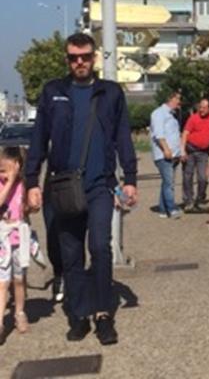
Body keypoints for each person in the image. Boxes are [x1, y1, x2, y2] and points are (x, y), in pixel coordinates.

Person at [24, 33, 138, 346]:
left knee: (101, 248)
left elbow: (123, 138)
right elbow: (38, 140)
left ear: (94, 57)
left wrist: (130, 178)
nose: (80, 63)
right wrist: (31, 182)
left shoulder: (110, 93)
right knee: (71, 253)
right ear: (67, 59)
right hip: (62, 186)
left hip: (100, 185)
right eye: (73, 57)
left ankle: (103, 314)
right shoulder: (53, 92)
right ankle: (78, 314)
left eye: (85, 56)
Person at [0, 147, 30, 339]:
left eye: (7, 170)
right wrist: (9, 182)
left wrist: (32, 206)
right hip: (2, 239)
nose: (3, 174)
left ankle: (19, 311)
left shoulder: (24, 185)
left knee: (19, 280)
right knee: (2, 282)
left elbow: (27, 209)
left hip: (20, 239)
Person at [150, 91, 183, 219]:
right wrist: (166, 149)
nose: (179, 102)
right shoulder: (159, 114)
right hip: (164, 155)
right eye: (178, 99)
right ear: (171, 99)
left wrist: (179, 152)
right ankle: (172, 208)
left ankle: (163, 210)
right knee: (169, 183)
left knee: (167, 182)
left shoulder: (172, 116)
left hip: (173, 154)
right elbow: (159, 134)